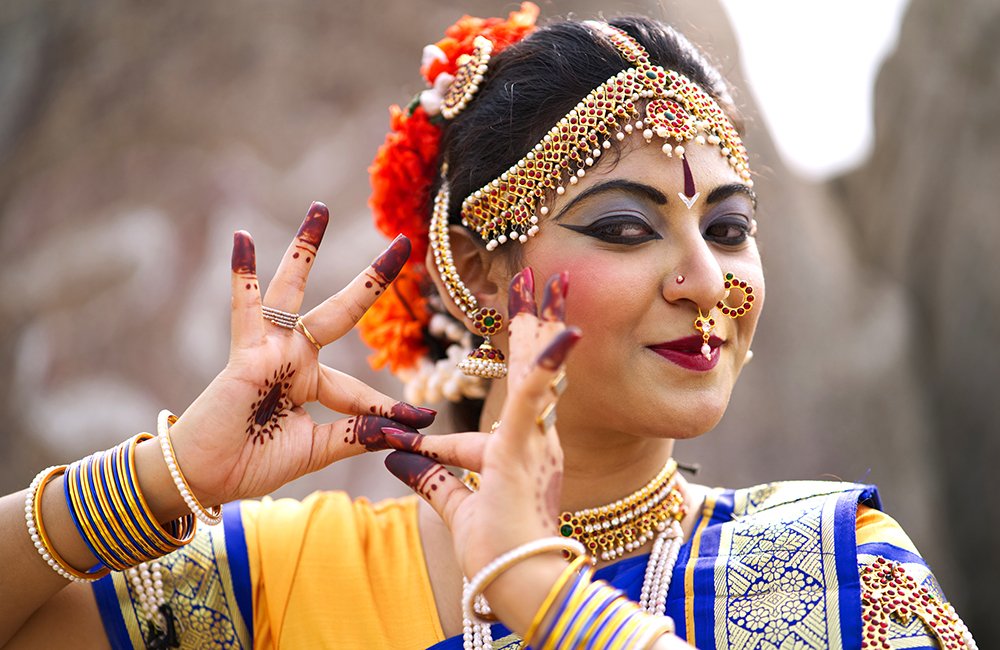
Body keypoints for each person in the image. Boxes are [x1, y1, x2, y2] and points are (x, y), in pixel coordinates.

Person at [0, 4, 977, 649]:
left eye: (728, 229)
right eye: (626, 228)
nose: (705, 281)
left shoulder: (836, 569)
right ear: (476, 270)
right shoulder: (288, 577)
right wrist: (160, 475)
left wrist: (549, 601)